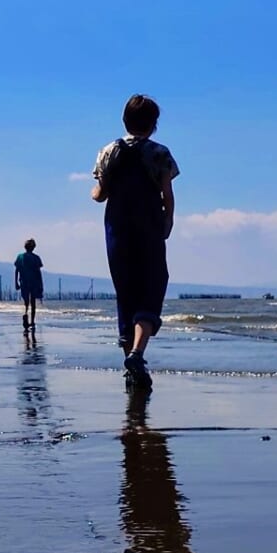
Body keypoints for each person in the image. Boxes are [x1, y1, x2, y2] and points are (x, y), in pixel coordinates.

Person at [91, 94, 179, 388]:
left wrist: (97, 189)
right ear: (153, 125)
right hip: (149, 226)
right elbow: (167, 195)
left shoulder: (108, 152)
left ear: (124, 121)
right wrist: (167, 221)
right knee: (152, 287)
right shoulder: (159, 153)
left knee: (125, 291)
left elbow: (99, 194)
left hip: (117, 227)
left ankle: (130, 362)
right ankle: (137, 354)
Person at [14, 239, 44, 331]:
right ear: (33, 247)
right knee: (33, 303)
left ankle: (26, 313)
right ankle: (32, 321)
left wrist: (16, 282)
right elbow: (39, 273)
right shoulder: (36, 258)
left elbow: (17, 270)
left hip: (23, 282)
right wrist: (41, 285)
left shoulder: (20, 257)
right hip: (34, 282)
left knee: (26, 302)